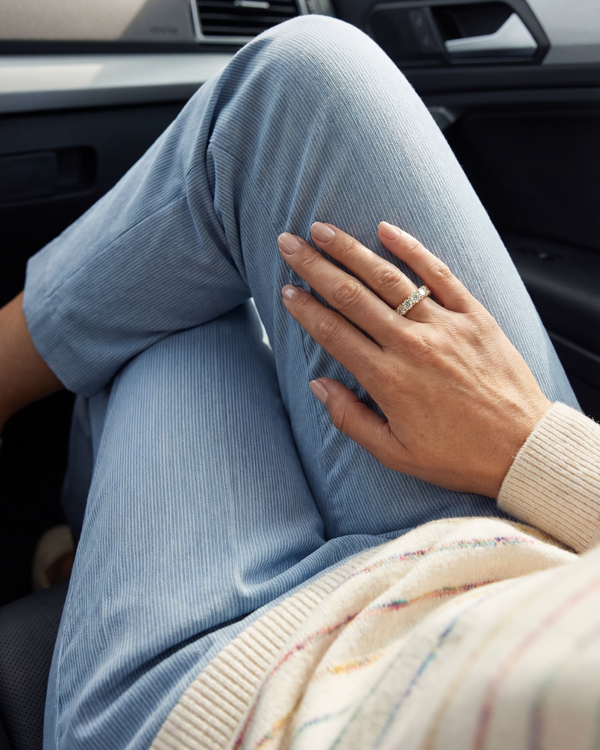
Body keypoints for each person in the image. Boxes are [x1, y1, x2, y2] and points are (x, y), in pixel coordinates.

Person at [0, 13, 599, 750]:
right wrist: (533, 446)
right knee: (304, 79)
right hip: (524, 562)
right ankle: (83, 560)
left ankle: (84, 565)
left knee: (166, 310)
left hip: (265, 707)